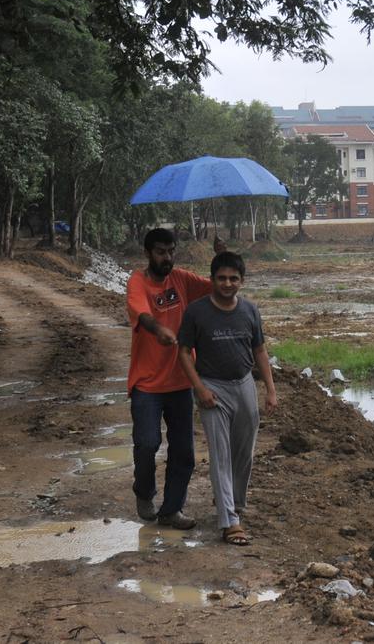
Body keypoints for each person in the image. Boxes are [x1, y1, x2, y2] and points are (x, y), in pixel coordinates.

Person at [177, 251, 277, 545]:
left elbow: (259, 351)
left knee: (244, 452)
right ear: (212, 280)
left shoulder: (249, 311)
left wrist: (270, 390)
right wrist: (200, 389)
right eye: (221, 278)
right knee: (220, 453)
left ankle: (236, 502)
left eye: (234, 278)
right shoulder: (196, 312)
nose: (227, 283)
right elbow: (183, 353)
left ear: (242, 281)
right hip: (212, 387)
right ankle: (229, 521)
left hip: (244, 383)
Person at [125, 228, 213, 529]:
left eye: (172, 251)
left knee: (184, 452)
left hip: (181, 381)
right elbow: (141, 313)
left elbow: (220, 287)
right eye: (161, 252)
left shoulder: (183, 279)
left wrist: (222, 256)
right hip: (147, 383)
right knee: (147, 443)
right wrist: (157, 329)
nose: (168, 257)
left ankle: (171, 509)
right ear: (148, 253)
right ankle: (144, 491)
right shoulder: (138, 281)